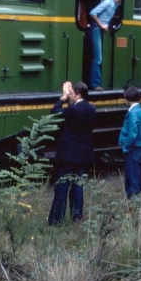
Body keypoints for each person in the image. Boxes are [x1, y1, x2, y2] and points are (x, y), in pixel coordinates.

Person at [48, 81, 96, 225]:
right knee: (78, 185)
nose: (70, 96)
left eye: (71, 94)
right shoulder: (92, 109)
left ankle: (57, 220)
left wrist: (62, 98)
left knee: (62, 185)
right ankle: (77, 216)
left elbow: (54, 112)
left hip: (68, 154)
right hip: (83, 153)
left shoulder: (73, 109)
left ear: (78, 94)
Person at [88, 0, 128, 91]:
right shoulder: (107, 2)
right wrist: (101, 25)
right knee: (98, 58)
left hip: (100, 30)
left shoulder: (115, 5)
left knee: (98, 57)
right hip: (96, 29)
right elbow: (92, 13)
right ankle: (95, 85)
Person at [118, 86, 141, 198]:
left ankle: (133, 200)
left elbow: (133, 133)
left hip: (133, 149)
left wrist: (126, 146)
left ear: (127, 98)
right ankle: (139, 198)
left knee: (131, 176)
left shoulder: (133, 113)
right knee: (138, 175)